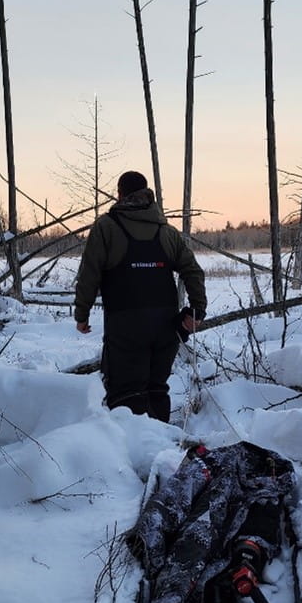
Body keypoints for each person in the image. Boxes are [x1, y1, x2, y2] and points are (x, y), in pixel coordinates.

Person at [74, 170, 207, 422]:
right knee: (157, 387)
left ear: (120, 194)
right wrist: (196, 311)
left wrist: (82, 315)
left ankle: (133, 451)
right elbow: (193, 270)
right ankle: (161, 448)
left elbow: (89, 275)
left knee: (125, 393)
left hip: (125, 326)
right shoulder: (166, 231)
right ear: (148, 195)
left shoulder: (106, 227)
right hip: (165, 325)